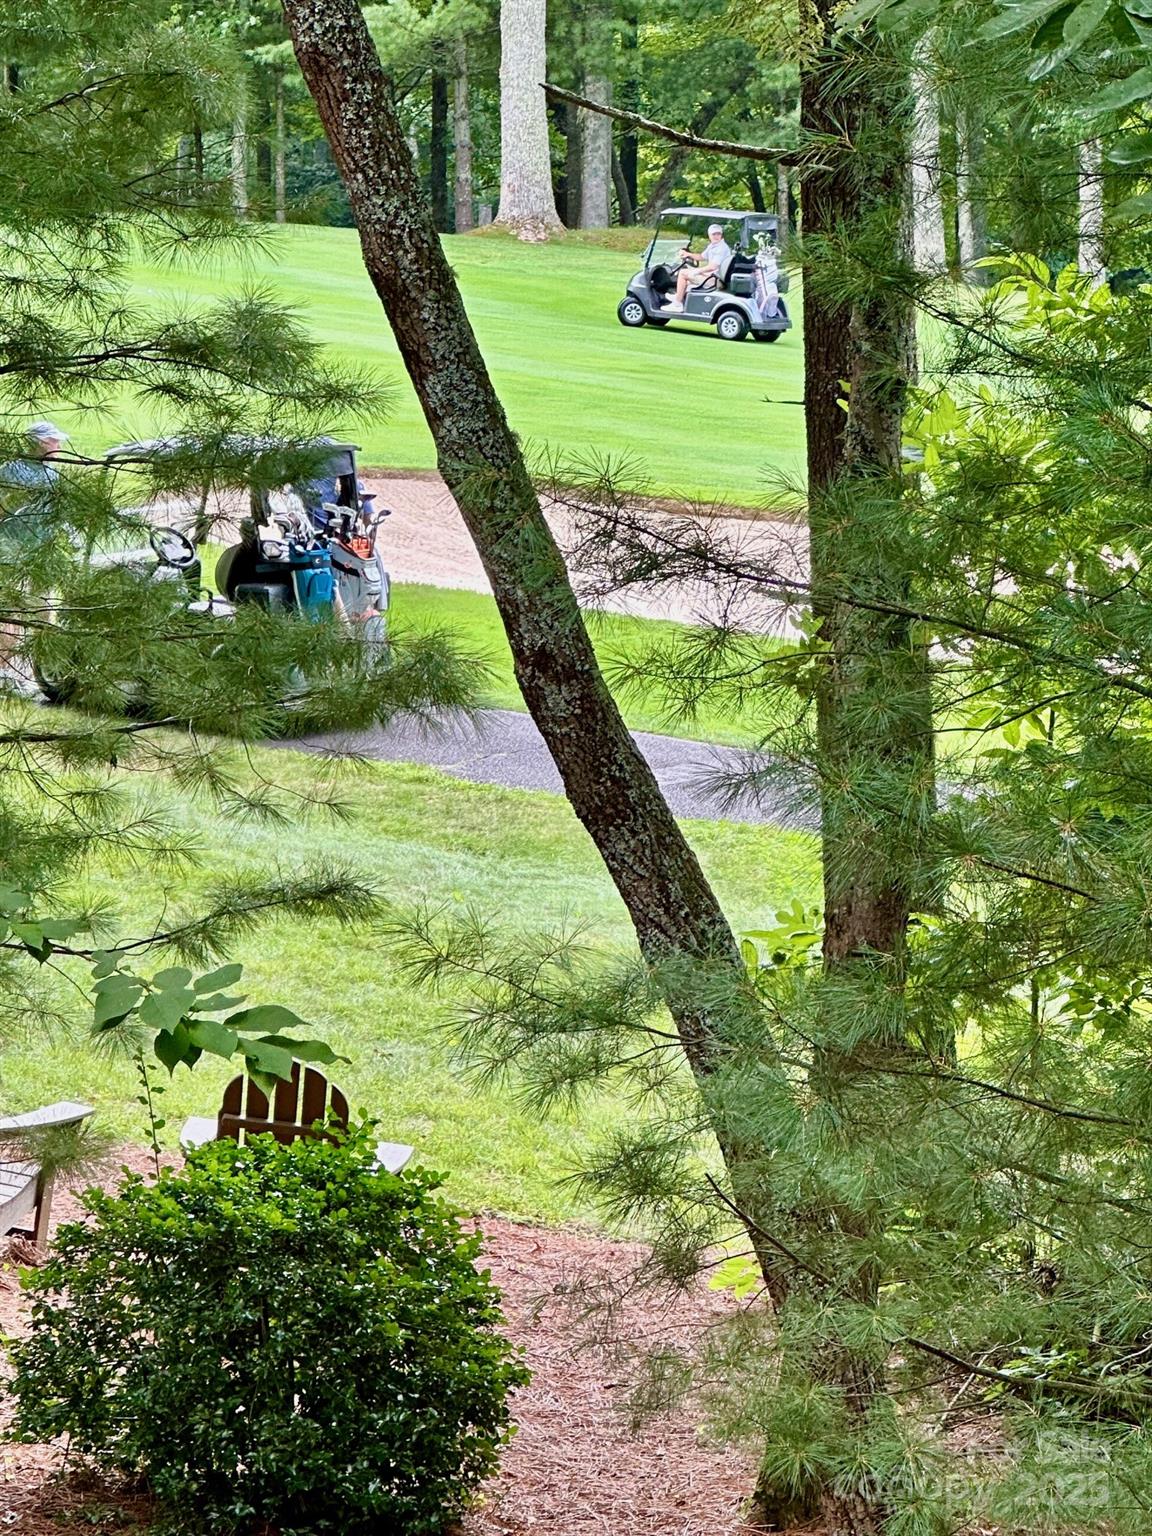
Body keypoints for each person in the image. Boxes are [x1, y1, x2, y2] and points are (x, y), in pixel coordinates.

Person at [0, 421, 67, 689]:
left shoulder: (53, 474)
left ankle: (41, 674)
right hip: (12, 552)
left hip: (41, 553)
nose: (58, 446)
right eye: (54, 441)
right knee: (12, 613)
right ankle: (4, 672)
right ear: (39, 443)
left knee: (44, 611)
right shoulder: (11, 471)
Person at [662, 223, 733, 313]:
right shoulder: (713, 246)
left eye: (718, 234)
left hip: (716, 281)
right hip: (713, 276)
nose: (716, 236)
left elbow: (713, 266)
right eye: (714, 234)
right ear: (709, 235)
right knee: (687, 279)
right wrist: (688, 254)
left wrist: (697, 271)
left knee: (683, 273)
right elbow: (701, 257)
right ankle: (678, 297)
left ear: (721, 235)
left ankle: (677, 304)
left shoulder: (721, 248)